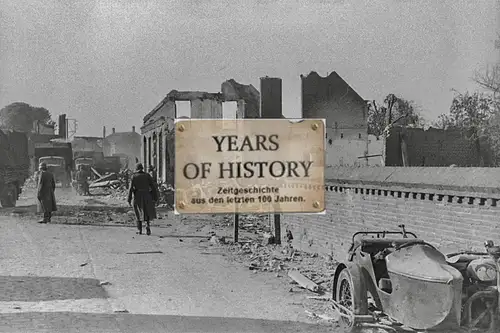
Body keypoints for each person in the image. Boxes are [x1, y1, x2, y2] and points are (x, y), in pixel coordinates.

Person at [128, 163, 158, 235]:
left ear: (136, 169)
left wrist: (129, 199)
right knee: (146, 211)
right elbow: (153, 187)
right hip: (147, 195)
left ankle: (139, 229)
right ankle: (147, 226)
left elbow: (130, 189)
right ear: (142, 168)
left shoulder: (134, 176)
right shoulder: (147, 175)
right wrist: (155, 197)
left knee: (138, 212)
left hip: (138, 196)